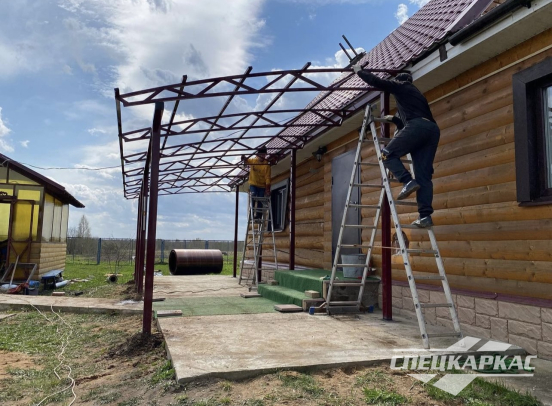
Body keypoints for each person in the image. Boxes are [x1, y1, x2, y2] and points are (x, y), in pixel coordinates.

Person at [353, 64, 440, 228]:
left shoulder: (402, 86)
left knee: (387, 154)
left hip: (418, 127)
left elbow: (379, 83)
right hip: (432, 130)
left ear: (400, 81)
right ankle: (425, 216)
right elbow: (406, 126)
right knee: (424, 176)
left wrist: (359, 72)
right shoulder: (417, 96)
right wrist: (393, 119)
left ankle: (407, 181)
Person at [241, 146, 271, 219]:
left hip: (262, 186)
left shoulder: (266, 165)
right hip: (253, 184)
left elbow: (267, 178)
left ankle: (258, 216)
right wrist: (244, 158)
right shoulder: (254, 161)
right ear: (258, 155)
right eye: (261, 155)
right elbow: (247, 161)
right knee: (253, 196)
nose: (262, 156)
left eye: (264, 155)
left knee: (260, 200)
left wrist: (267, 189)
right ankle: (252, 213)